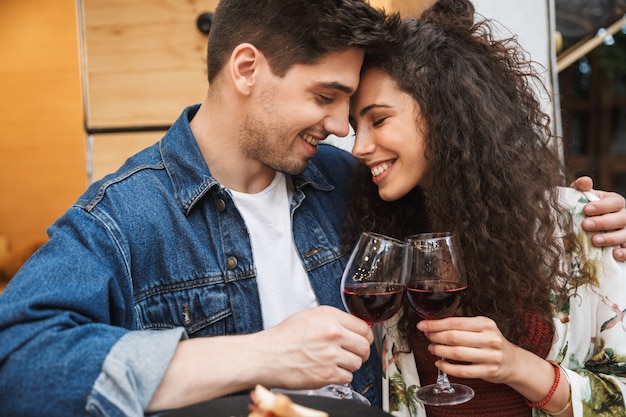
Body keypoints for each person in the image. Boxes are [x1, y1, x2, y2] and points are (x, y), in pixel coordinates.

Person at [0, 1, 622, 416]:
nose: (340, 129)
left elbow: (473, 192)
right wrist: (261, 356)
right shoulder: (126, 215)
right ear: (247, 68)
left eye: (353, 108)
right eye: (327, 97)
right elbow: (17, 361)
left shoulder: (342, 179)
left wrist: (584, 214)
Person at [345, 1, 626, 416]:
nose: (358, 147)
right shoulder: (385, 228)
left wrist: (517, 366)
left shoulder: (577, 224)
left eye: (379, 120)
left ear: (443, 114)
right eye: (356, 127)